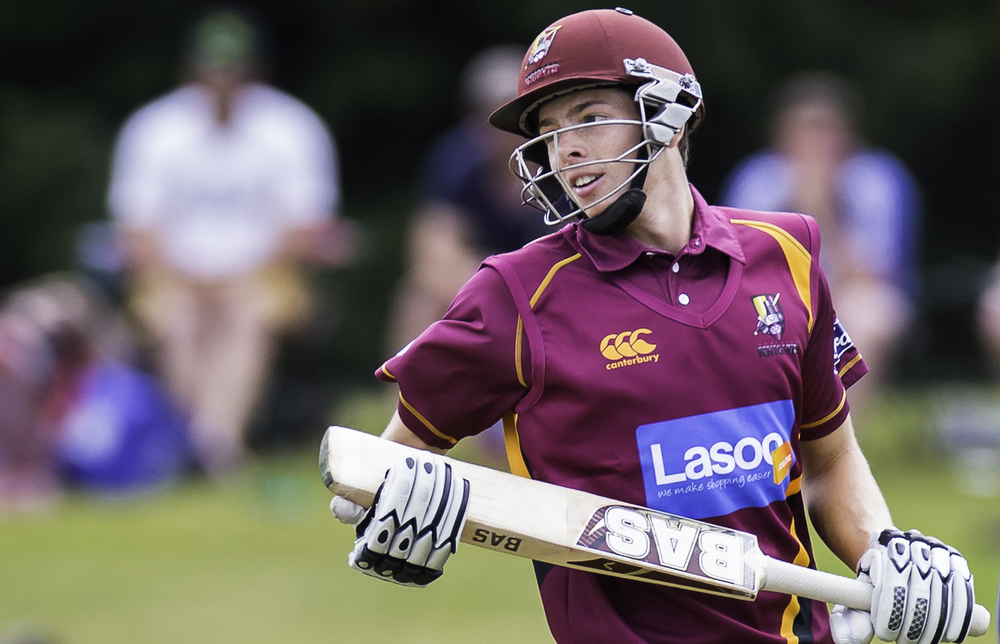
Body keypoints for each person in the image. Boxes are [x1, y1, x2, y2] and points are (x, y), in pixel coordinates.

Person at [330, 9, 977, 644]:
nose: (566, 148)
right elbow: (381, 471)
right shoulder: (516, 293)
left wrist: (884, 557)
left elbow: (829, 463)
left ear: (668, 114)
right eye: (550, 132)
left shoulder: (788, 254)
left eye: (589, 118)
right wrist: (392, 516)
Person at [107, 8, 356, 475]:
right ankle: (210, 446)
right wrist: (193, 279)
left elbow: (307, 229)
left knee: (249, 314)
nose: (222, 82)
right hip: (175, 276)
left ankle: (207, 446)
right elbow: (137, 232)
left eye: (232, 71)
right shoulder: (153, 129)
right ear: (190, 71)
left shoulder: (292, 127)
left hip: (262, 275)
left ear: (254, 72)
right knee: (176, 320)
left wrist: (231, 276)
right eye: (212, 70)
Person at [720, 72, 922, 408]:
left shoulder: (876, 178)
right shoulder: (758, 179)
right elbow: (739, 269)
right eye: (804, 130)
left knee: (869, 315)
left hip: (854, 293)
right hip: (774, 295)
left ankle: (844, 432)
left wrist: (822, 209)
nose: (815, 142)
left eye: (826, 130)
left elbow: (876, 274)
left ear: (850, 134)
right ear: (779, 135)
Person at [384, 44, 550, 355]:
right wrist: (501, 281)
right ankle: (404, 383)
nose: (499, 124)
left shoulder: (559, 158)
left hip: (550, 285)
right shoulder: (456, 159)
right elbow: (431, 255)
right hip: (486, 282)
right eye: (487, 111)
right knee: (418, 295)